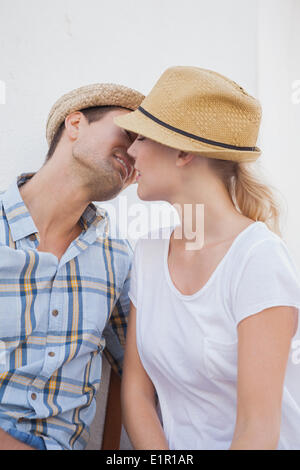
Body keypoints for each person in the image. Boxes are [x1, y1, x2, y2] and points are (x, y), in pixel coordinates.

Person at [114, 66, 300, 450]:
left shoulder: (258, 260)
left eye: (143, 138)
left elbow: (257, 428)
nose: (131, 150)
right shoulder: (148, 252)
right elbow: (136, 393)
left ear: (183, 152)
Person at [0, 82, 144, 449]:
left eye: (146, 145)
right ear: (75, 124)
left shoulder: (120, 260)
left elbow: (150, 376)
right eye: (130, 133)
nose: (137, 152)